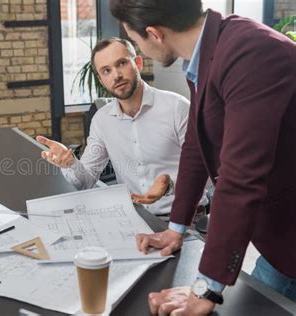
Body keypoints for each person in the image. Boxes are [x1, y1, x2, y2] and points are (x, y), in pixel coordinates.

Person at [110, 0, 296, 314]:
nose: (139, 52)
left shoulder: (251, 53)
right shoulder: (208, 52)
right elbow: (197, 145)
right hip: (281, 240)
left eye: (135, 42)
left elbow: (239, 180)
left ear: (154, 34)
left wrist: (204, 289)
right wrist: (176, 228)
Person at [37, 37, 206, 215]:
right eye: (106, 70)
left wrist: (168, 186)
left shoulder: (177, 107)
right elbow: (85, 181)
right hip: (137, 219)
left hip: (187, 219)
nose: (116, 75)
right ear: (101, 80)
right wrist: (71, 164)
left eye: (122, 63)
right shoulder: (102, 120)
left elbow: (206, 171)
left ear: (138, 63)